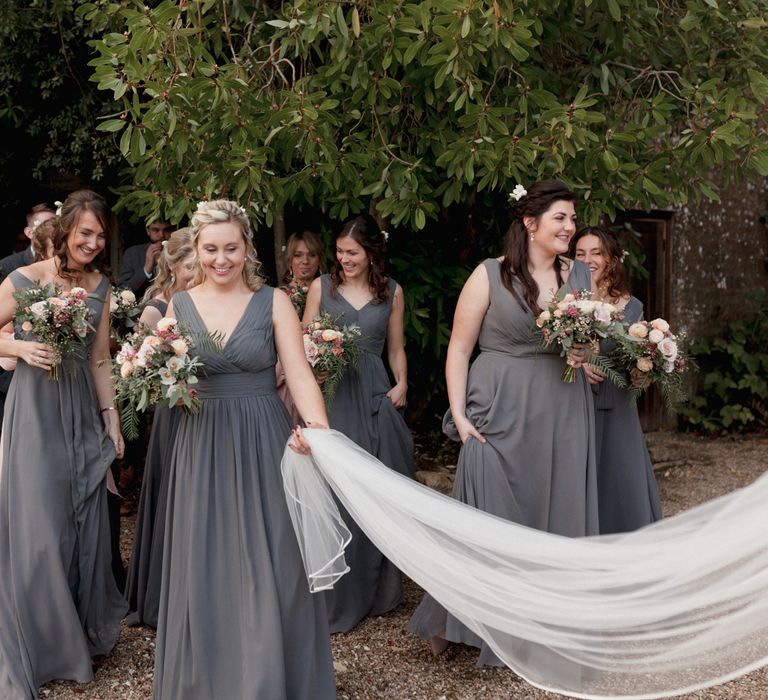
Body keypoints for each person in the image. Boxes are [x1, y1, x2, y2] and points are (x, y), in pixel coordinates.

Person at [407, 179, 598, 664]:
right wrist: (458, 411)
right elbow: (458, 347)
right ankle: (459, 621)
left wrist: (584, 349)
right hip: (498, 409)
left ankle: (543, 627)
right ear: (530, 223)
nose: (570, 227)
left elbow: (591, 342)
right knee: (486, 517)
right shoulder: (489, 274)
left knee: (553, 513)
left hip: (562, 409)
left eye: (573, 219)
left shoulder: (580, 278)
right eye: (561, 218)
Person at [153, 200, 336, 699]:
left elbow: (297, 371)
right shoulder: (179, 306)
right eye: (210, 249)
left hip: (262, 438)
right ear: (196, 249)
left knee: (272, 559)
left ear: (246, 248)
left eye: (230, 248)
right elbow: (164, 378)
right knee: (205, 561)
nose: (220, 259)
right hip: (200, 443)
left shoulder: (274, 300)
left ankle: (270, 679)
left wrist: (317, 431)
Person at [0, 189, 128, 699]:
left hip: (80, 410)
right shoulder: (26, 279)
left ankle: (71, 630)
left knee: (82, 524)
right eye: (85, 233)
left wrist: (112, 421)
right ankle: (37, 639)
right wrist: (16, 345)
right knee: (41, 527)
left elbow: (99, 360)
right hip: (34, 413)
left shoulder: (102, 287)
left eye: (101, 236)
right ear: (65, 230)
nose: (93, 244)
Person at [303, 213, 414, 633]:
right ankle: (334, 591)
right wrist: (315, 365)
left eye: (352, 252)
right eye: (340, 251)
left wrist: (402, 381)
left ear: (372, 253)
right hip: (330, 395)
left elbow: (396, 348)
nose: (344, 258)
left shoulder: (393, 293)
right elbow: (303, 339)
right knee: (332, 488)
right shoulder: (321, 288)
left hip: (372, 394)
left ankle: (378, 591)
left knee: (374, 488)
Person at [124, 228, 196, 627]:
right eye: (190, 265)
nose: (196, 271)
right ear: (172, 264)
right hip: (175, 413)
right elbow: (140, 368)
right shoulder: (157, 307)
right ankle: (164, 589)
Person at [571, 226, 662, 534]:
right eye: (580, 254)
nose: (588, 260)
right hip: (572, 407)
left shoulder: (632, 307)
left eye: (596, 253)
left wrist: (645, 372)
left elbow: (639, 364)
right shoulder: (565, 303)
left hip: (619, 410)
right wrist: (578, 365)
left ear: (612, 258)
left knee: (623, 482)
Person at [276, 230, 325, 421]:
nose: (305, 261)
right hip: (286, 374)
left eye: (311, 255)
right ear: (290, 260)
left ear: (319, 259)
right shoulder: (279, 297)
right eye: (298, 255)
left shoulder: (329, 295)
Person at [0, 203, 56, 283]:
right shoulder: (6, 266)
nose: (52, 231)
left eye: (56, 226)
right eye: (44, 227)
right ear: (29, 233)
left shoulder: (67, 262)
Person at [117, 219, 173, 295]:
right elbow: (121, 290)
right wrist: (146, 269)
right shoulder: (133, 253)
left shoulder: (179, 252)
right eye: (156, 230)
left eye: (167, 230)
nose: (161, 235)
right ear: (148, 231)